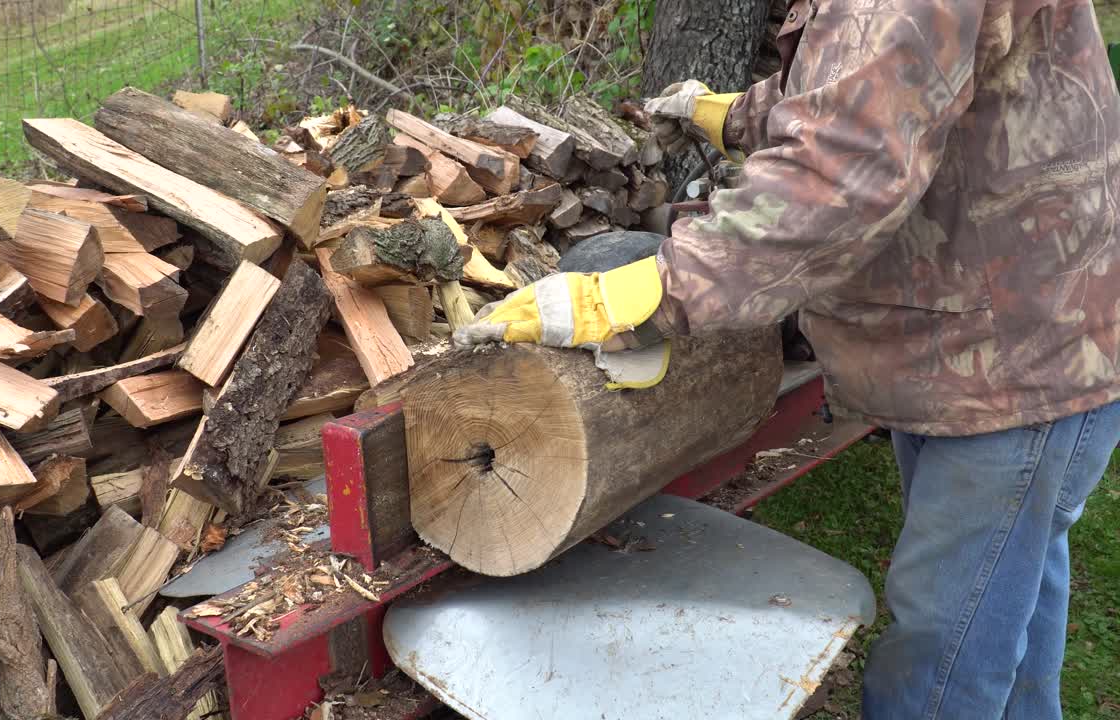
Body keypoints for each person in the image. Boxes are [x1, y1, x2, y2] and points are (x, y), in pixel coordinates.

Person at [453, 1, 1120, 718]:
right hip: (1003, 332)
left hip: (1014, 357)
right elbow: (880, 78)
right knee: (1010, 588)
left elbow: (839, 176)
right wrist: (734, 113)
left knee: (944, 650)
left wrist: (647, 294)